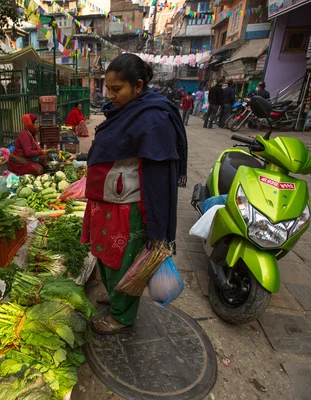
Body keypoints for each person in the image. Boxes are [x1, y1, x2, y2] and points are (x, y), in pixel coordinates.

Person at [81, 53, 187, 335]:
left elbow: (158, 177)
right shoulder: (124, 111)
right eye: (108, 89)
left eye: (117, 90)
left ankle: (122, 316)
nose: (110, 95)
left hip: (128, 207)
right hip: (107, 202)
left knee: (125, 263)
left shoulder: (154, 118)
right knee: (104, 256)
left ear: (138, 86)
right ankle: (115, 294)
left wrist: (156, 226)